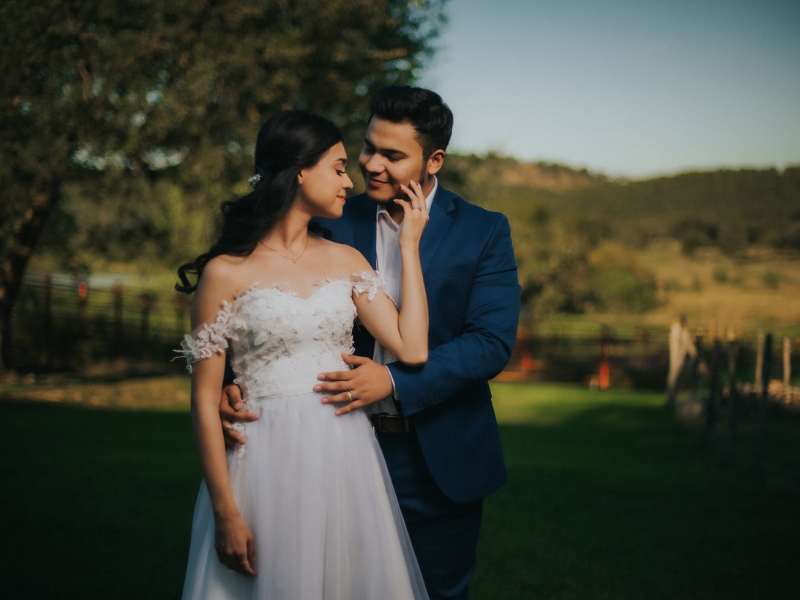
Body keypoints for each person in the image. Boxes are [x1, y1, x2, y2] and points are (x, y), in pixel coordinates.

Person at [219, 86, 521, 599]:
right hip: (334, 446)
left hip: (439, 459)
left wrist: (394, 380)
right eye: (367, 148)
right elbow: (262, 302)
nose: (371, 164)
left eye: (393, 155)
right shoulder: (330, 217)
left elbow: (490, 342)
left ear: (434, 160)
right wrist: (235, 379)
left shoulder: (484, 231)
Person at [175, 110, 431, 599]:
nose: (349, 181)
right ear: (299, 171)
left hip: (344, 456)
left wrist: (410, 246)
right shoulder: (225, 273)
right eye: (337, 167)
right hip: (261, 460)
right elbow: (205, 403)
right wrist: (227, 512)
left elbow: (411, 346)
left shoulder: (346, 261)